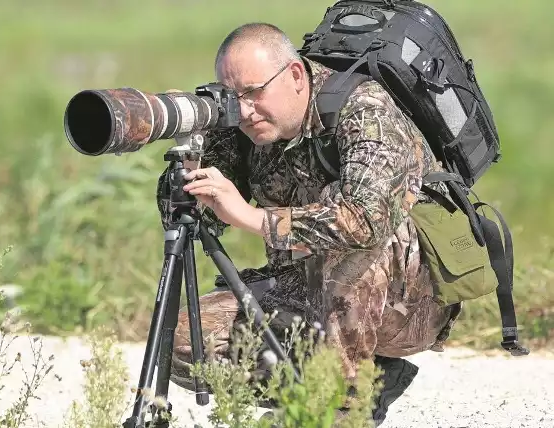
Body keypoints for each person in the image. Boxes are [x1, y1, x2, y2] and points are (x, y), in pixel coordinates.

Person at [156, 22, 463, 424]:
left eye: (253, 93)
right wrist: (188, 163)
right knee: (182, 344)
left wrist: (253, 218)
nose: (245, 110)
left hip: (405, 304)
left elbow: (365, 220)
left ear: (296, 76)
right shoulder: (246, 125)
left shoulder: (365, 109)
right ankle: (334, 391)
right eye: (233, 98)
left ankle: (338, 410)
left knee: (351, 239)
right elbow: (199, 220)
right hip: (308, 293)